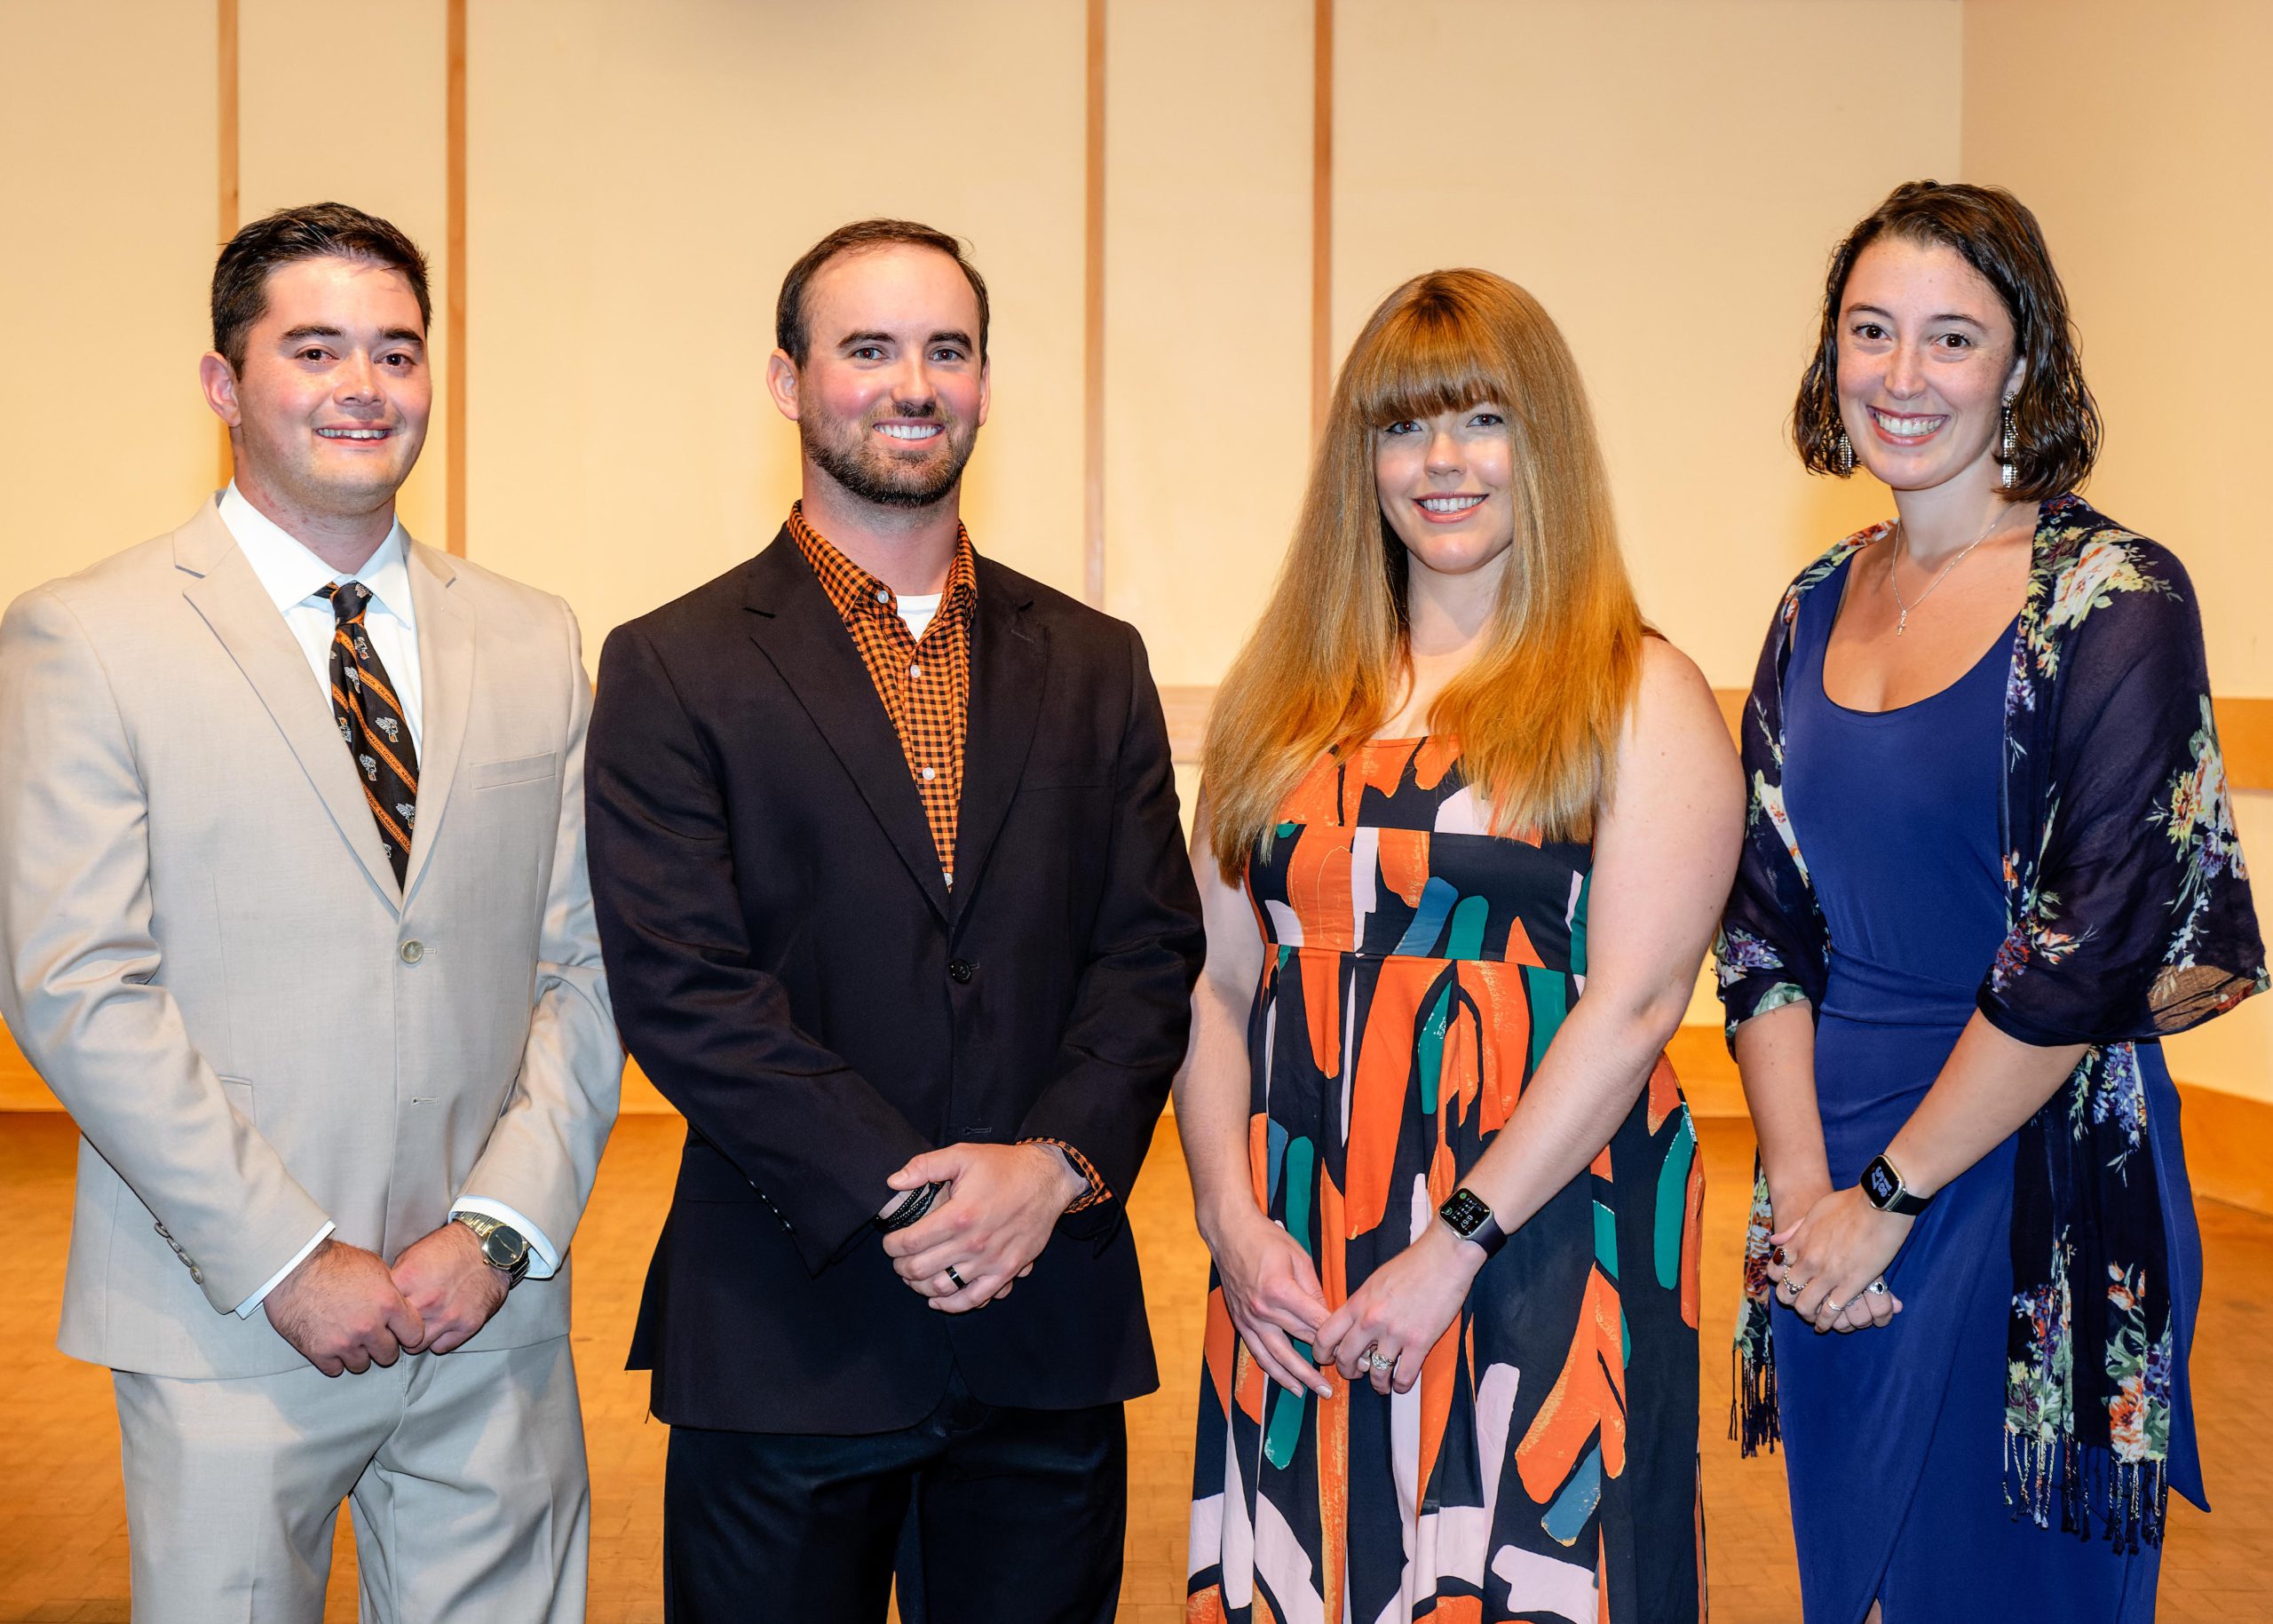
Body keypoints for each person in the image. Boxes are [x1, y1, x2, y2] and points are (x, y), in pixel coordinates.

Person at [0, 202, 622, 1620]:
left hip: (488, 1317)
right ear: (224, 385)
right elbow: (77, 983)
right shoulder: (86, 636)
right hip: (228, 1312)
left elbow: (589, 964)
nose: (365, 386)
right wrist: (289, 1255)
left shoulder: (534, 637)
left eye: (397, 352)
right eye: (318, 348)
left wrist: (501, 1226)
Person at [583, 218, 1205, 1622]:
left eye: (948, 348)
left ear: (985, 380)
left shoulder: (1097, 663)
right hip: (789, 1332)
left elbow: (1149, 950)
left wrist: (1047, 1169)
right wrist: (923, 1194)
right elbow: (686, 988)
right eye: (867, 347)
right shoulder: (671, 665)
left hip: (1047, 1324)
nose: (911, 382)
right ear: (789, 381)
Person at [1717, 180, 2267, 1622]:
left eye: (1952, 338)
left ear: (2024, 364)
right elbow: (1763, 919)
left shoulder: (2117, 597)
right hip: (1828, 1184)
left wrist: (1889, 1196)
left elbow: (2084, 953)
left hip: (2029, 1174)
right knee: (1866, 1586)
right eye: (1872, 331)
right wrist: (1799, 1195)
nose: (1904, 376)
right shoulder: (1812, 601)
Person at [1181, 268, 1738, 1624]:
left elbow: (1636, 1004)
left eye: (1480, 420)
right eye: (1402, 425)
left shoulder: (1635, 691)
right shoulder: (1282, 695)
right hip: (1298, 1247)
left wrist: (1455, 1244)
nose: (1440, 462)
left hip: (1543, 1235)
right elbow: (1211, 977)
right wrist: (1232, 1218)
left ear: (1541, 441)